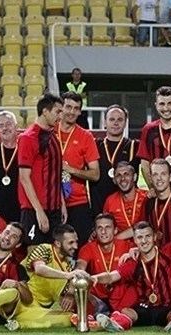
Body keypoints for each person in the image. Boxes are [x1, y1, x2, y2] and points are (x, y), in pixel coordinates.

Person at [92, 211, 171, 333]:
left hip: (168, 307)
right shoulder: (133, 262)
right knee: (127, 311)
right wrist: (94, 278)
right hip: (145, 308)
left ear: (154, 237)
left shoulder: (168, 253)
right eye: (139, 237)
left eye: (147, 236)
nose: (144, 241)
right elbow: (111, 276)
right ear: (134, 240)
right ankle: (116, 324)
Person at [18, 93, 65, 245]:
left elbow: (56, 175)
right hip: (34, 210)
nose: (61, 116)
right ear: (45, 111)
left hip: (55, 209)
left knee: (55, 257)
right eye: (58, 111)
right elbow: (24, 178)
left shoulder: (53, 137)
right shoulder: (28, 137)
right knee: (34, 258)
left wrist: (62, 203)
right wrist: (39, 211)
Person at [56, 92, 100, 242]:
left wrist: (71, 170)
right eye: (68, 107)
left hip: (77, 203)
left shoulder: (86, 137)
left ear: (80, 111)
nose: (72, 112)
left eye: (76, 108)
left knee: (79, 249)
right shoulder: (49, 132)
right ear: (61, 108)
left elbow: (95, 174)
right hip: (51, 202)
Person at [76, 214, 134, 312]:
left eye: (108, 227)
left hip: (121, 297)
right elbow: (80, 267)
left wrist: (136, 250)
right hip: (97, 297)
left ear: (115, 230)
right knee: (80, 297)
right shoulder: (87, 248)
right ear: (95, 232)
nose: (103, 232)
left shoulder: (127, 246)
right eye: (100, 228)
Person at [90, 105, 140, 216]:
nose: (116, 123)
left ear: (125, 123)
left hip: (128, 212)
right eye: (112, 119)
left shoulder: (135, 146)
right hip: (99, 210)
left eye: (120, 119)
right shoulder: (94, 145)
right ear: (104, 122)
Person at [103, 161, 148, 239]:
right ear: (114, 180)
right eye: (118, 176)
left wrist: (117, 238)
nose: (122, 179)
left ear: (134, 177)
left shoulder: (146, 197)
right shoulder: (110, 201)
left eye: (126, 174)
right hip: (121, 248)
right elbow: (105, 226)